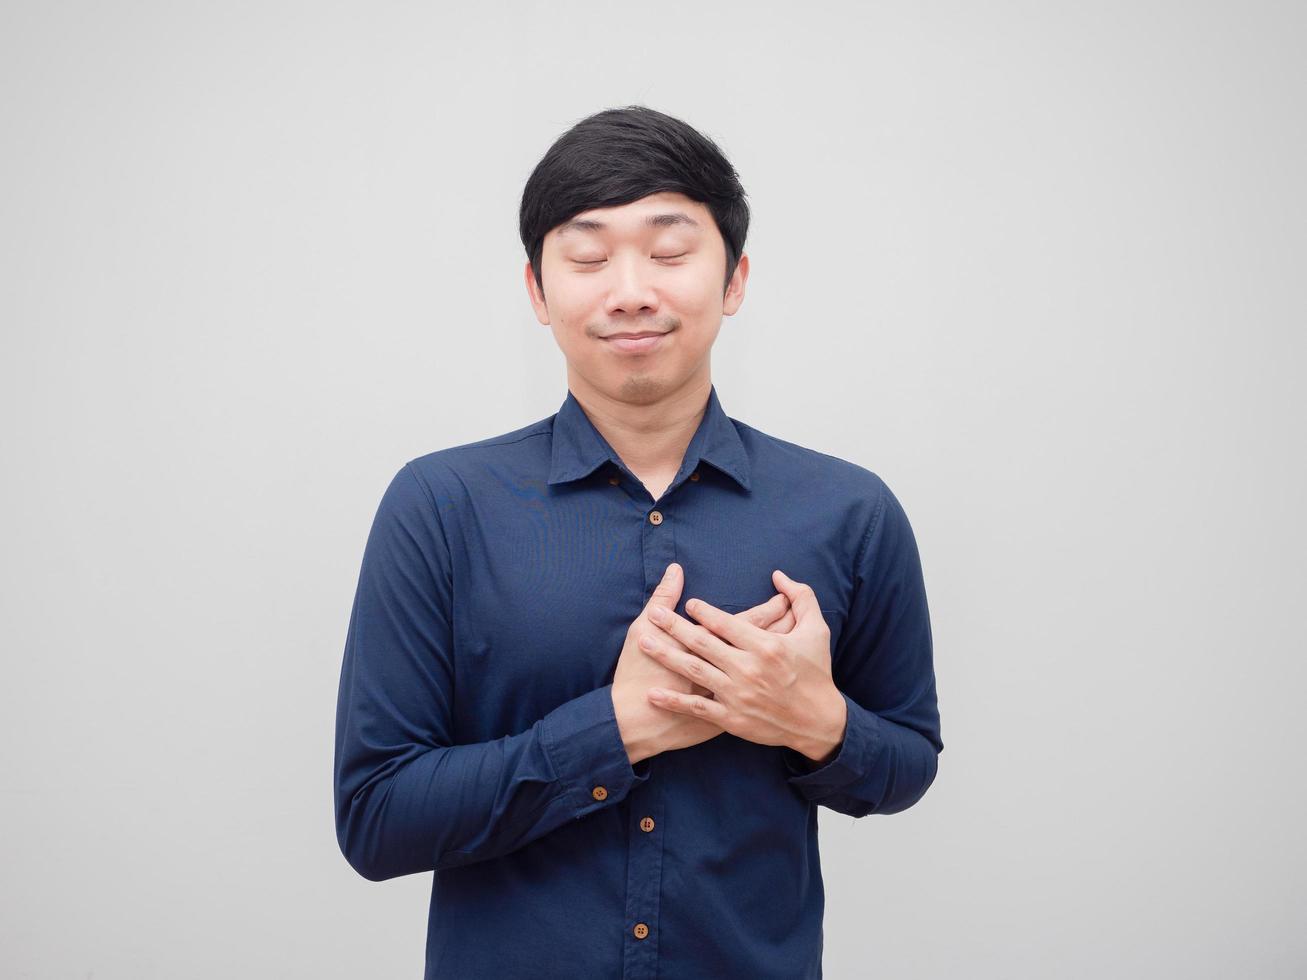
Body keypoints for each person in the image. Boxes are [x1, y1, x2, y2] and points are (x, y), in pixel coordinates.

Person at [333, 104, 943, 979]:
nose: (629, 290)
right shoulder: (440, 505)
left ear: (733, 279)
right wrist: (613, 730)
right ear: (538, 292)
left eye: (667, 253)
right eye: (586, 258)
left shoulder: (847, 510)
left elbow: (907, 764)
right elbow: (375, 816)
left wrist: (814, 721)